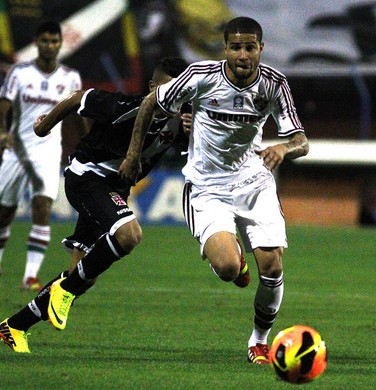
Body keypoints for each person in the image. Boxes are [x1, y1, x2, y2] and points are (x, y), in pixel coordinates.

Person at [123, 16, 309, 364]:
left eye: (250, 47)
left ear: (260, 49)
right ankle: (233, 262)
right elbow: (150, 103)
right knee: (227, 268)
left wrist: (284, 148)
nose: (243, 54)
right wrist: (133, 155)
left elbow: (301, 141)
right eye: (235, 47)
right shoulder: (200, 77)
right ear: (225, 48)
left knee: (271, 266)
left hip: (254, 181)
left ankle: (259, 340)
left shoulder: (274, 85)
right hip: (207, 186)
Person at [0, 56, 190, 353]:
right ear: (152, 87)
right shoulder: (127, 108)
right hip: (86, 178)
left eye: (182, 91)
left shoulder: (181, 123)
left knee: (83, 275)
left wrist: (194, 133)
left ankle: (15, 326)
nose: (174, 98)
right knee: (129, 234)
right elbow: (79, 98)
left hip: (111, 189)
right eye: (168, 89)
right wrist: (43, 126)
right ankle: (63, 290)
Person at [0, 21, 83, 290]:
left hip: (48, 152)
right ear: (37, 42)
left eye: (55, 41)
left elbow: (80, 116)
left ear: (60, 44)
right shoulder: (19, 73)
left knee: (42, 208)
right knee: (4, 212)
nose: (50, 46)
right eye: (45, 41)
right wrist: (2, 132)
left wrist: (88, 144)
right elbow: (4, 107)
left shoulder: (70, 78)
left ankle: (30, 276)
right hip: (17, 151)